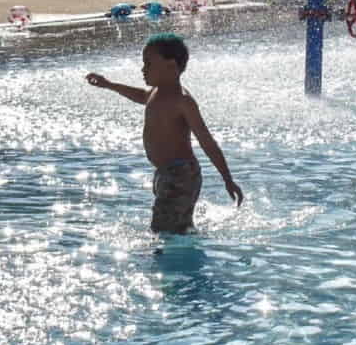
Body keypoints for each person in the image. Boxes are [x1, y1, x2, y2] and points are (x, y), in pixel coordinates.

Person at [85, 33, 243, 233]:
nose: (143, 69)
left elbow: (206, 141)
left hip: (181, 175)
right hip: (165, 173)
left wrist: (227, 179)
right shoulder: (155, 92)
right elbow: (141, 95)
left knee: (162, 230)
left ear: (171, 66)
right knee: (174, 228)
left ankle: (166, 261)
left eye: (148, 63)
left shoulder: (183, 101)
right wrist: (109, 85)